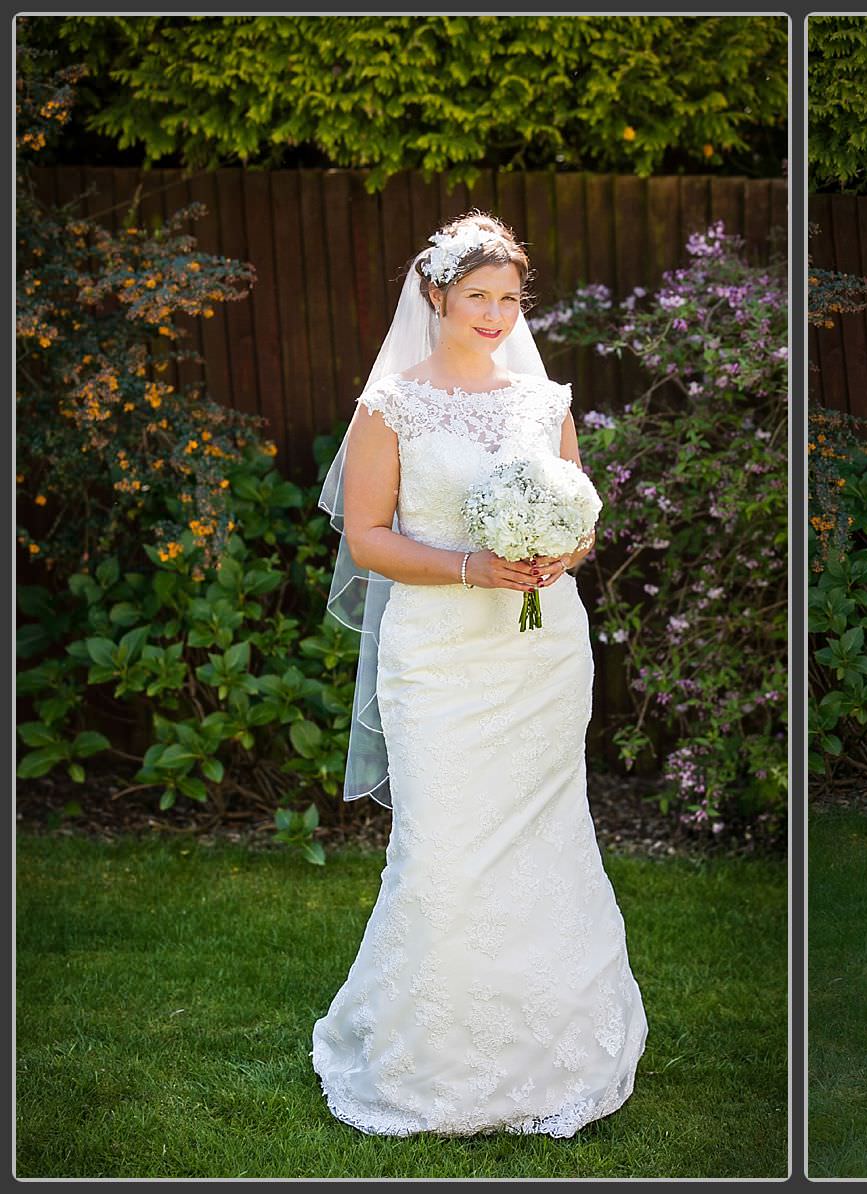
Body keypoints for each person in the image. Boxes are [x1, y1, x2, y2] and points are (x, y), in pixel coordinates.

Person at [311, 212, 644, 1137]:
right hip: (441, 657)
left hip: (540, 652)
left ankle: (553, 1050)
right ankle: (435, 1057)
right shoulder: (393, 406)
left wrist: (555, 556)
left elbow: (581, 520)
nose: (496, 314)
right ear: (436, 297)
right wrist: (473, 566)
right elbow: (367, 538)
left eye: (509, 297)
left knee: (545, 835)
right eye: (478, 297)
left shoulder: (545, 402)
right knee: (445, 842)